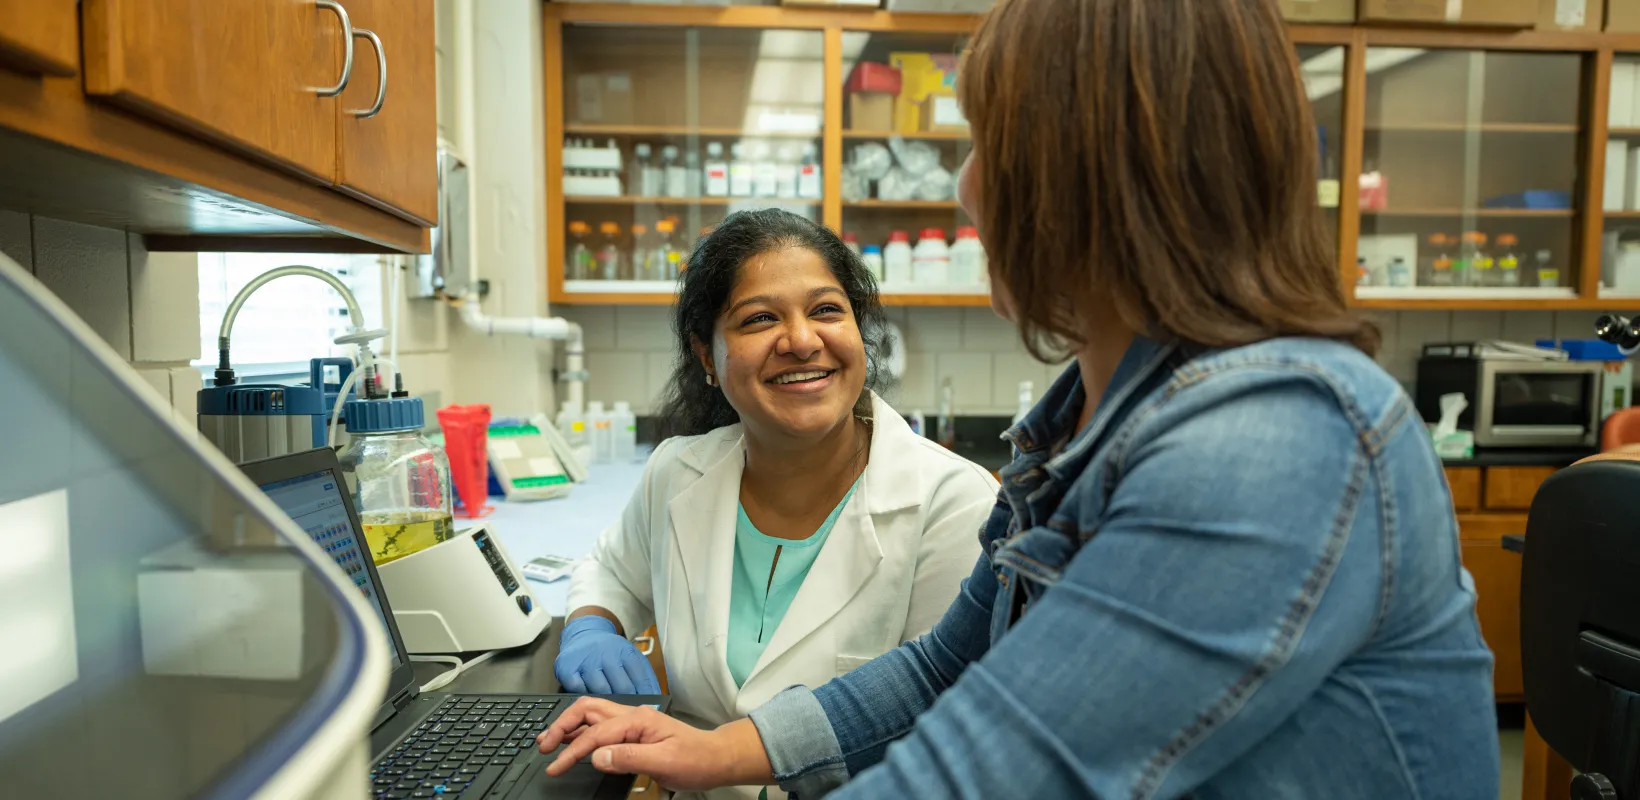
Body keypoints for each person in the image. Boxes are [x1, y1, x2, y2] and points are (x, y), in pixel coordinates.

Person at [536, 0, 1501, 796]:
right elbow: (947, 669)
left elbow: (994, 773)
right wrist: (718, 750)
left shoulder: (1279, 436)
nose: (962, 189)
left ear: (1096, 172)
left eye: (988, 143)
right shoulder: (1085, 422)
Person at [553, 208, 999, 799]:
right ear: (707, 357)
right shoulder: (677, 472)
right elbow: (611, 569)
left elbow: (944, 718)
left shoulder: (953, 501)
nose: (802, 340)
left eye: (826, 310)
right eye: (760, 318)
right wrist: (590, 627)